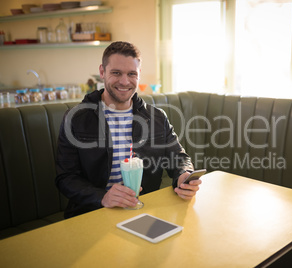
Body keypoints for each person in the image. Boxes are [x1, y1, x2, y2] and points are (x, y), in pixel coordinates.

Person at [55, 41, 201, 218]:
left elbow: (178, 157)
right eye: (116, 73)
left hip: (144, 210)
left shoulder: (157, 117)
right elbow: (66, 178)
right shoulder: (76, 118)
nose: (124, 81)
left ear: (139, 74)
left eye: (132, 74)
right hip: (93, 213)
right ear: (102, 72)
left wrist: (183, 175)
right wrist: (103, 197)